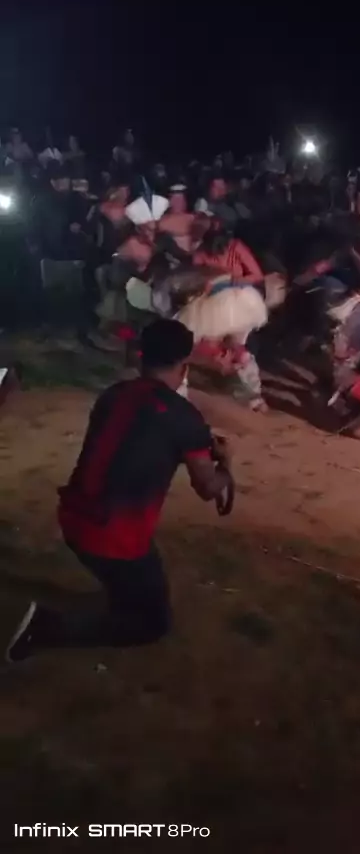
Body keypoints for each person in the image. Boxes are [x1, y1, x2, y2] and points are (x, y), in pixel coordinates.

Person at [5, 319, 233, 662]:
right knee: (152, 624)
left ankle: (120, 593)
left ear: (142, 356)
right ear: (184, 366)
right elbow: (209, 488)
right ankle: (46, 627)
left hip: (73, 516)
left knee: (130, 581)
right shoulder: (184, 417)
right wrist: (226, 463)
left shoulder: (113, 395)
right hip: (115, 538)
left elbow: (137, 438)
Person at [158, 184, 195, 253]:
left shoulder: (194, 218)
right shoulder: (162, 220)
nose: (178, 203)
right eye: (175, 200)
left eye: (181, 200)